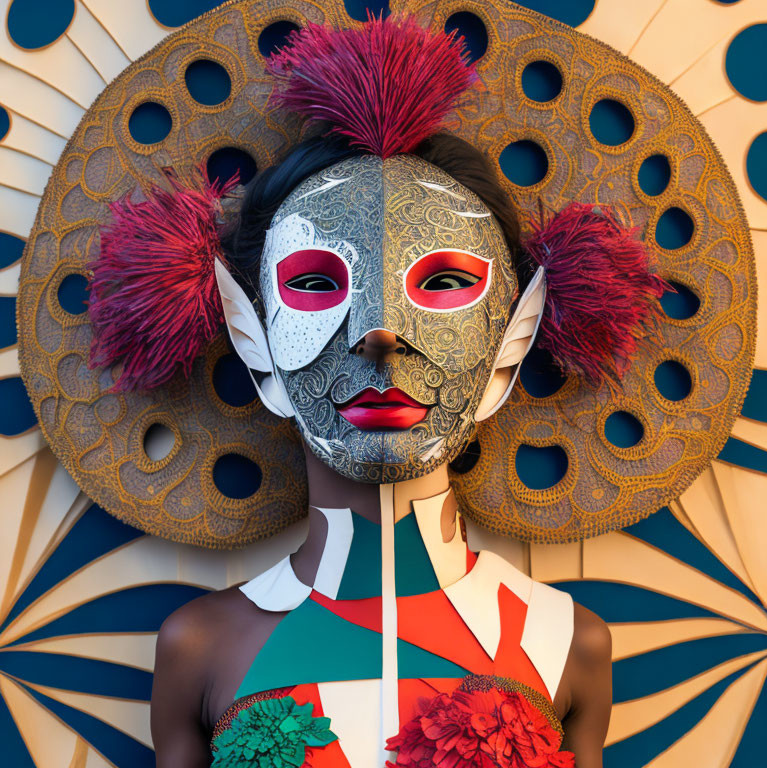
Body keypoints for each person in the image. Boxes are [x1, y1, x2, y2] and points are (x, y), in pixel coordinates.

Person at [143, 17, 648, 767]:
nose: (379, 332)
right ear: (255, 341)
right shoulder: (200, 645)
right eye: (315, 283)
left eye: (444, 283)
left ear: (510, 342)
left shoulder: (570, 641)